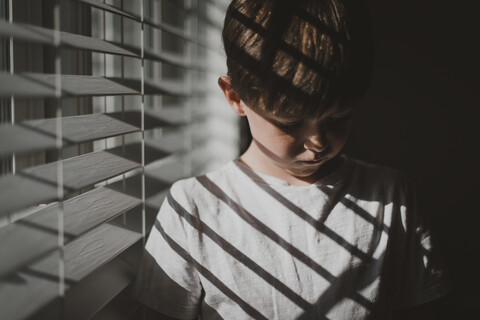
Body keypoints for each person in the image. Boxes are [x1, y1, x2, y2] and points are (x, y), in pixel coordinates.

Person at [133, 0, 451, 319]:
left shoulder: (391, 197)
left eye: (340, 118)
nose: (318, 141)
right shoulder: (194, 208)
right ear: (235, 97)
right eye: (290, 122)